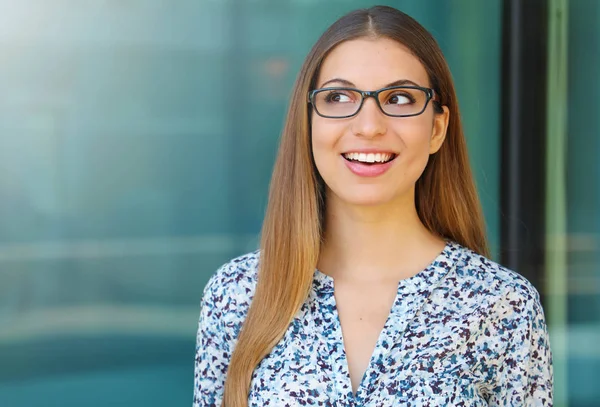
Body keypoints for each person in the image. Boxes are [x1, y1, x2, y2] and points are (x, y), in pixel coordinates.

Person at [194, 5, 553, 407]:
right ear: (307, 121)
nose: (369, 126)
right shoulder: (237, 295)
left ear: (437, 128)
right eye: (338, 97)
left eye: (399, 98)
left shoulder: (501, 305)